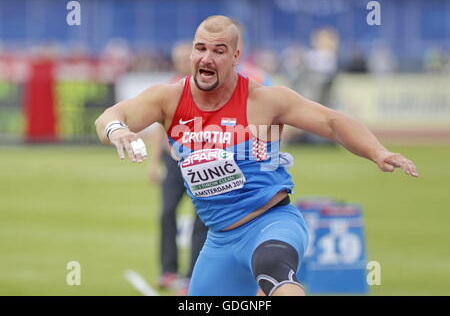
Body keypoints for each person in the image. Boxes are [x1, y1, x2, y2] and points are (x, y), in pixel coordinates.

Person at [95, 15, 419, 296]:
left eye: (218, 51)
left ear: (235, 56)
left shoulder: (263, 100)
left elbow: (333, 123)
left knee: (273, 269)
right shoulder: (168, 98)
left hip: (271, 222)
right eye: (200, 48)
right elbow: (110, 116)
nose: (206, 58)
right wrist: (118, 130)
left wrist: (378, 152)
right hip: (219, 240)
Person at [146, 42, 208, 293]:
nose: (184, 62)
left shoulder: (207, 88)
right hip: (173, 162)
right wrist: (153, 162)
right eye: (180, 58)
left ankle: (193, 275)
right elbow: (159, 128)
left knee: (201, 219)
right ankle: (168, 270)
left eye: (187, 57)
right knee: (166, 212)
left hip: (201, 161)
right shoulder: (170, 89)